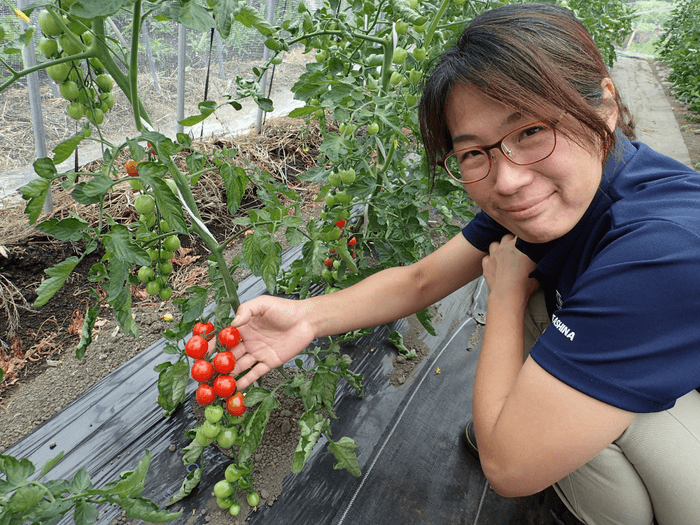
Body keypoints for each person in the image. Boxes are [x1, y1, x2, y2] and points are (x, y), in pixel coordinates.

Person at [220, 4, 700, 524]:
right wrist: (309, 317)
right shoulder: (561, 192)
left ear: (605, 106)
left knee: (576, 462)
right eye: (473, 153)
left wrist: (505, 295)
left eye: (533, 130)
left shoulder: (663, 248)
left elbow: (508, 467)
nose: (508, 179)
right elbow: (421, 279)